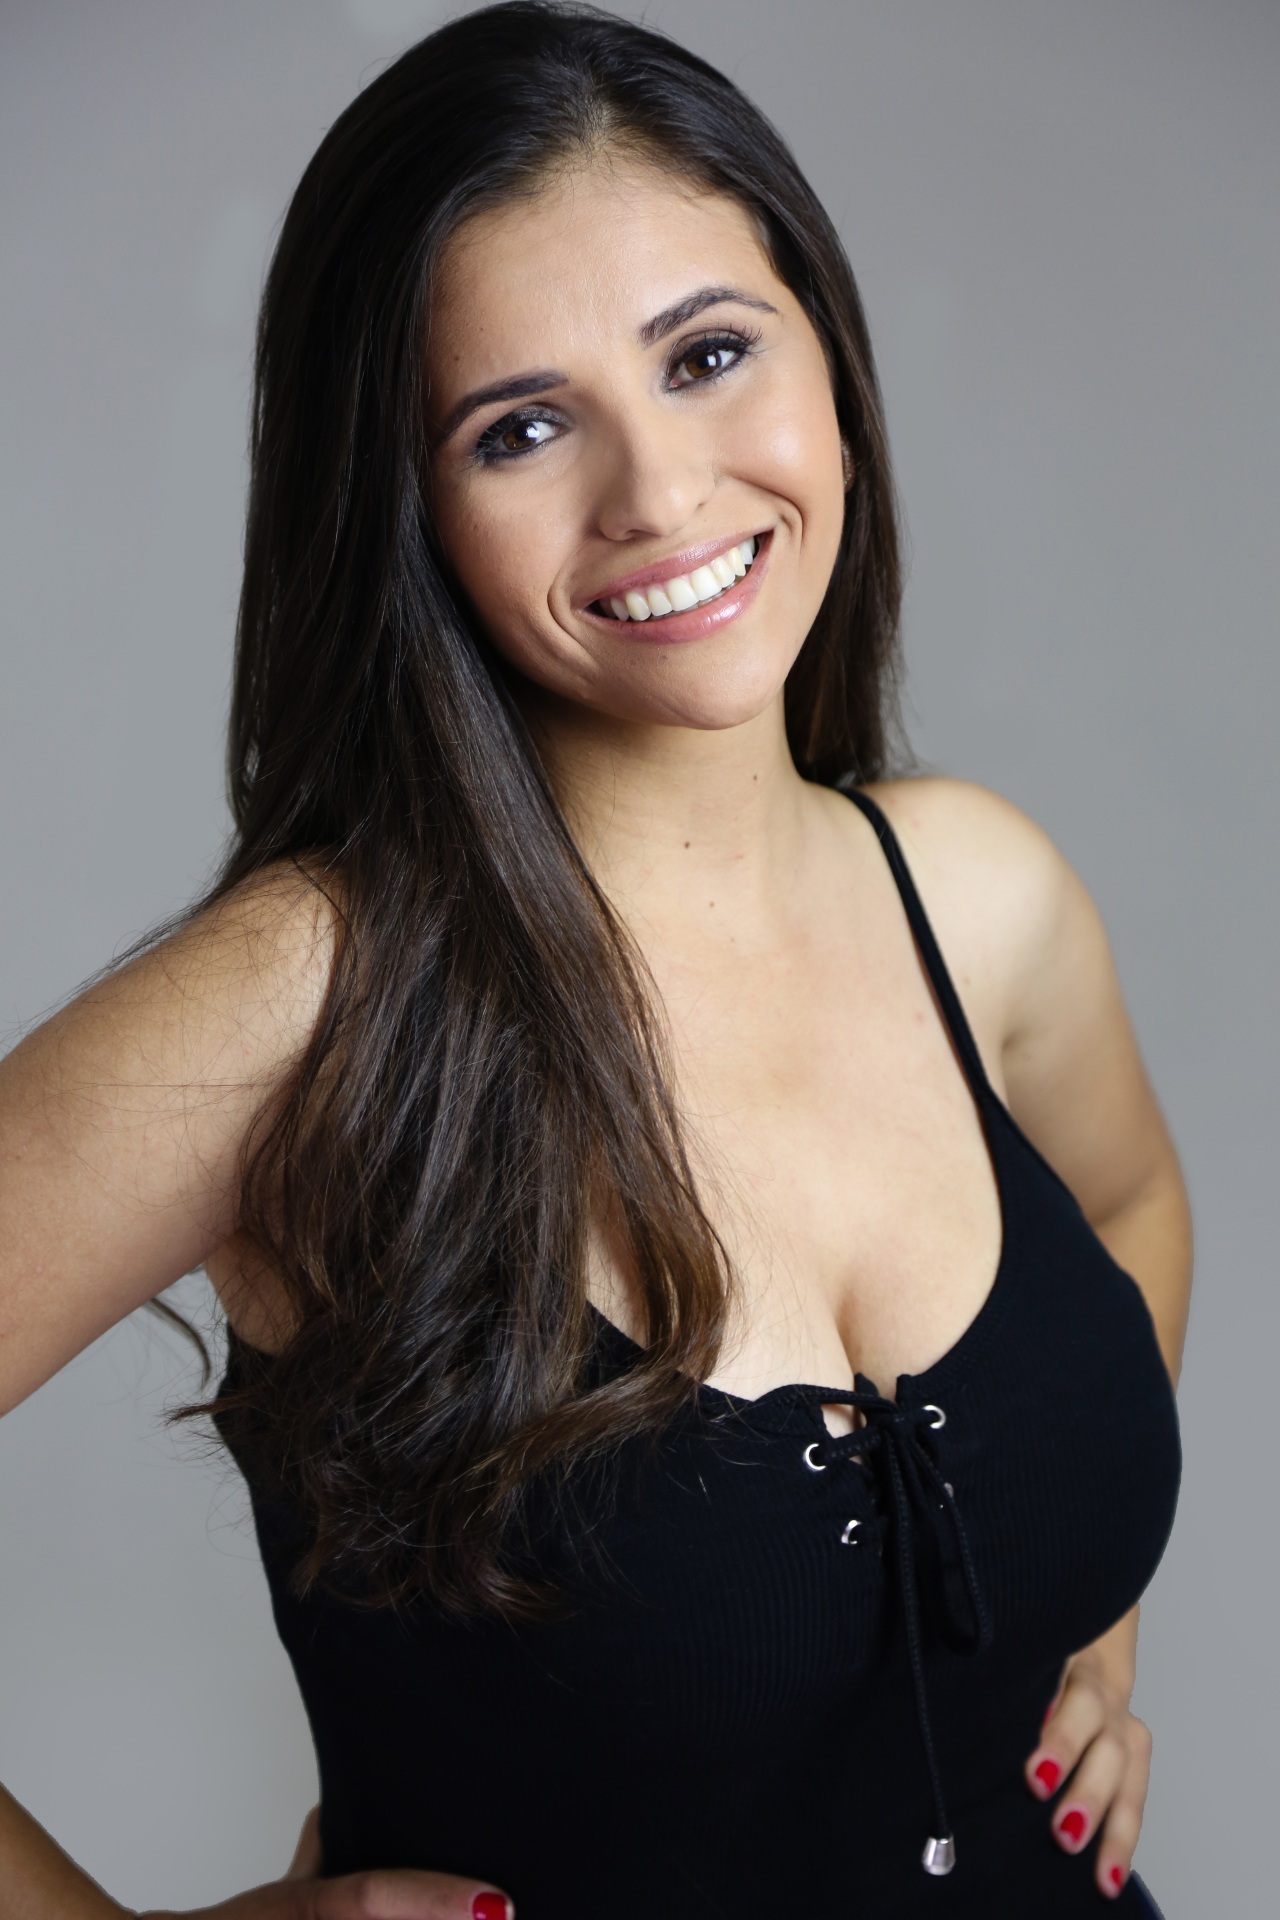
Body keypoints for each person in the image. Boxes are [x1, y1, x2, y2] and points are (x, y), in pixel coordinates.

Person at [0, 5, 1190, 1917]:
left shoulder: (981, 894)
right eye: (523, 427)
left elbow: (1128, 1207)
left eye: (709, 355)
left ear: (829, 354)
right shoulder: (307, 1010)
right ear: (404, 505)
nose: (656, 494)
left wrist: (1092, 1632)